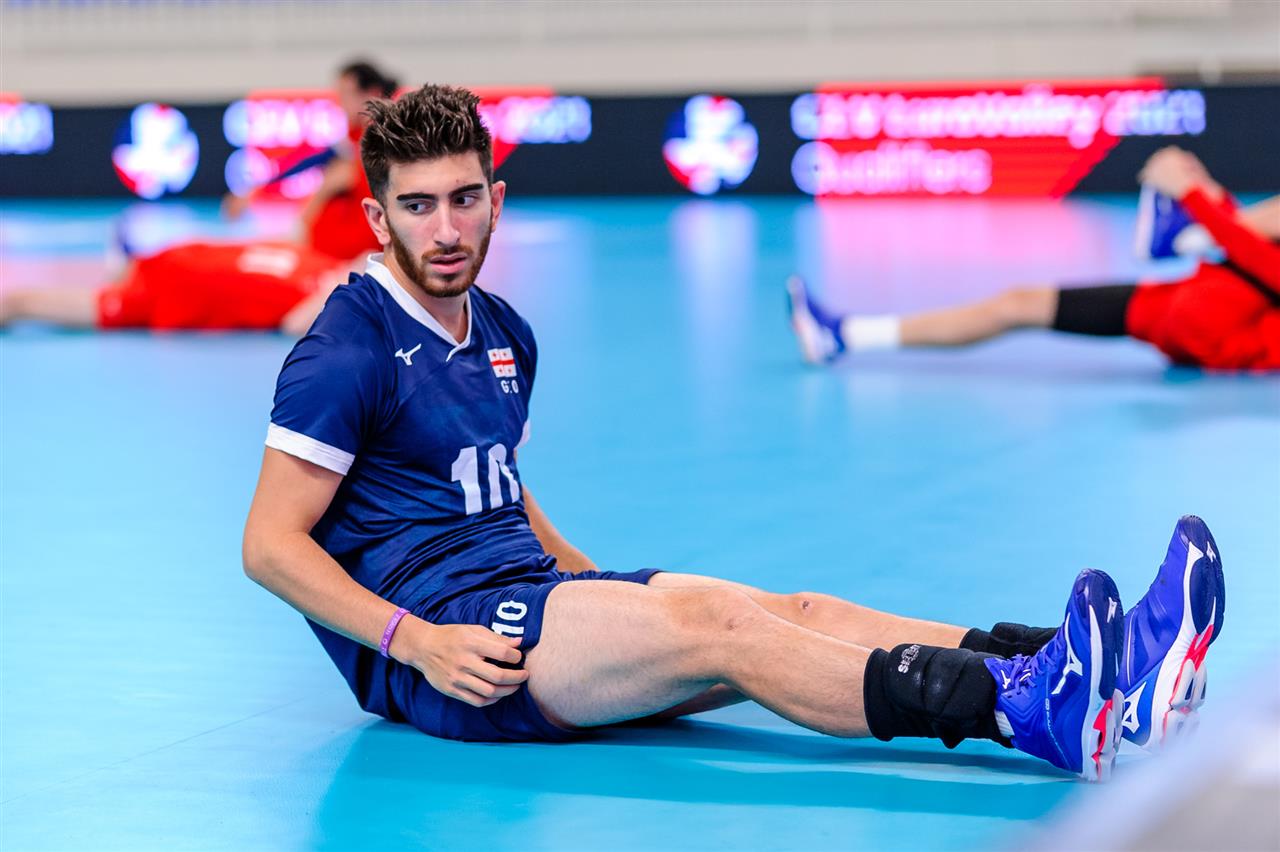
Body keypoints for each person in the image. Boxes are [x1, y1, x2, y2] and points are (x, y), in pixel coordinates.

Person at [242, 85, 1226, 782]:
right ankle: (1027, 711)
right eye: (417, 207)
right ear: (377, 218)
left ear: (494, 200)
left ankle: (1082, 661)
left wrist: (587, 580)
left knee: (792, 610)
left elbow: (496, 480)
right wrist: (414, 645)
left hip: (527, 594)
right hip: (457, 646)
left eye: (464, 200)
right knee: (727, 630)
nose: (447, 229)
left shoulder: (502, 331)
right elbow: (270, 545)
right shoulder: (345, 349)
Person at [787, 148, 1280, 371]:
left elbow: (1259, 260)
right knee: (1017, 303)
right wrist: (1205, 194)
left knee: (1018, 305)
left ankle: (1185, 234)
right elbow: (1252, 255)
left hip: (1202, 322)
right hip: (1181, 303)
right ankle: (845, 334)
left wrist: (1192, 194)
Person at [223, 60, 398, 262]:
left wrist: (310, 210)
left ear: (372, 94)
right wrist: (256, 189)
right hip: (340, 248)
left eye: (346, 95)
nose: (340, 104)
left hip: (356, 252)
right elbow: (309, 160)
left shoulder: (383, 141)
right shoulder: (354, 140)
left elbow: (340, 176)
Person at [0, 240, 353, 335]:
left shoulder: (325, 286)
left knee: (22, 303)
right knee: (25, 301)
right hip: (174, 270)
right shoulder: (324, 266)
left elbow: (293, 323)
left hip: (173, 289)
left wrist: (346, 282)